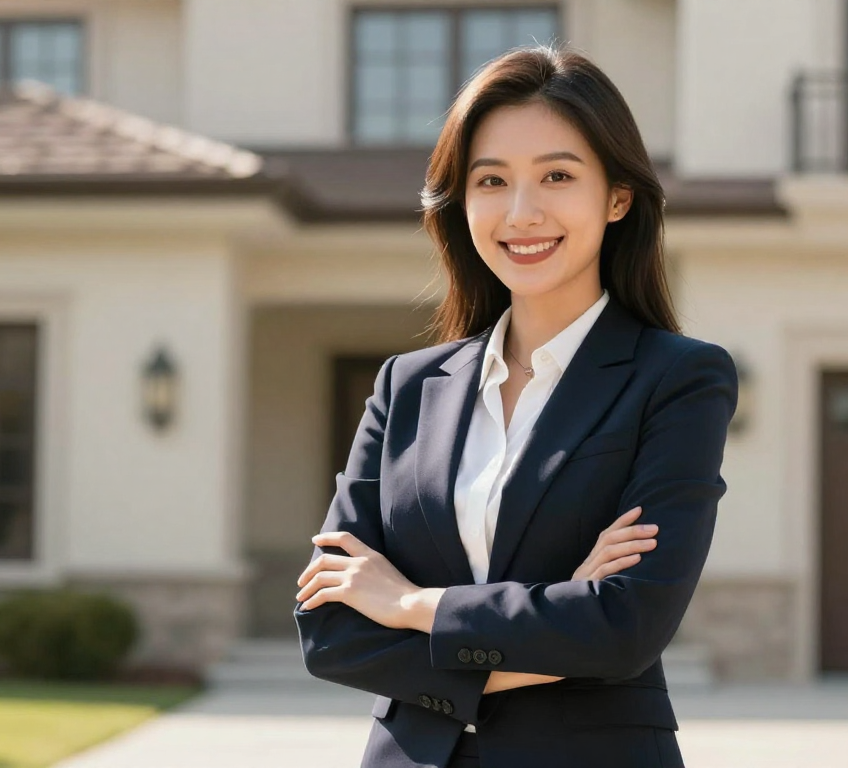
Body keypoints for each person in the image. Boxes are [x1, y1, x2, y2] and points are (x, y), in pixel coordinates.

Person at [294, 43, 737, 768]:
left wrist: (409, 605)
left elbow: (627, 626)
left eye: (557, 176)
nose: (521, 212)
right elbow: (331, 632)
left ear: (617, 197)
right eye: (491, 180)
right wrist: (560, 613)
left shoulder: (679, 379)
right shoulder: (406, 387)